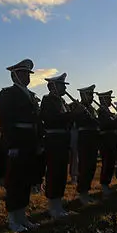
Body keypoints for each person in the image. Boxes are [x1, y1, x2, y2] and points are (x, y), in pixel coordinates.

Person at [0, 58, 42, 232]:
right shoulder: (8, 93)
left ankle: (22, 216)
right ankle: (12, 219)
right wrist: (11, 144)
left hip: (30, 140)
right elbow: (6, 121)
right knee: (15, 181)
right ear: (14, 75)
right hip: (18, 141)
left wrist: (39, 141)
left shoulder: (31, 95)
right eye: (23, 73)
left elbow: (36, 121)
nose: (27, 76)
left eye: (28, 73)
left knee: (26, 180)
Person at [40, 72, 75, 218]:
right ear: (53, 86)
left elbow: (65, 120)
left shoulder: (61, 101)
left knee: (61, 173)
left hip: (62, 139)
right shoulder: (48, 100)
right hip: (53, 139)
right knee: (54, 172)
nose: (63, 88)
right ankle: (53, 207)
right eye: (61, 85)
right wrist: (72, 115)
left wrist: (73, 116)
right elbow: (52, 119)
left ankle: (58, 204)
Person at [72, 84, 100, 204]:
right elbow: (79, 123)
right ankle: (82, 193)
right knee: (84, 166)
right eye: (89, 94)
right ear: (83, 95)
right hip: (84, 138)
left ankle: (86, 191)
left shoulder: (91, 108)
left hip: (92, 138)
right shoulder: (79, 107)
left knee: (91, 167)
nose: (92, 97)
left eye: (92, 94)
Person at [96, 90, 117, 196]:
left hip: (111, 139)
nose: (110, 100)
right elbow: (105, 125)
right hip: (106, 140)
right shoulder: (101, 111)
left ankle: (107, 183)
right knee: (107, 163)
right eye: (108, 98)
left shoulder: (107, 111)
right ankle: (104, 184)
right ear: (103, 100)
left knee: (111, 163)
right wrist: (115, 122)